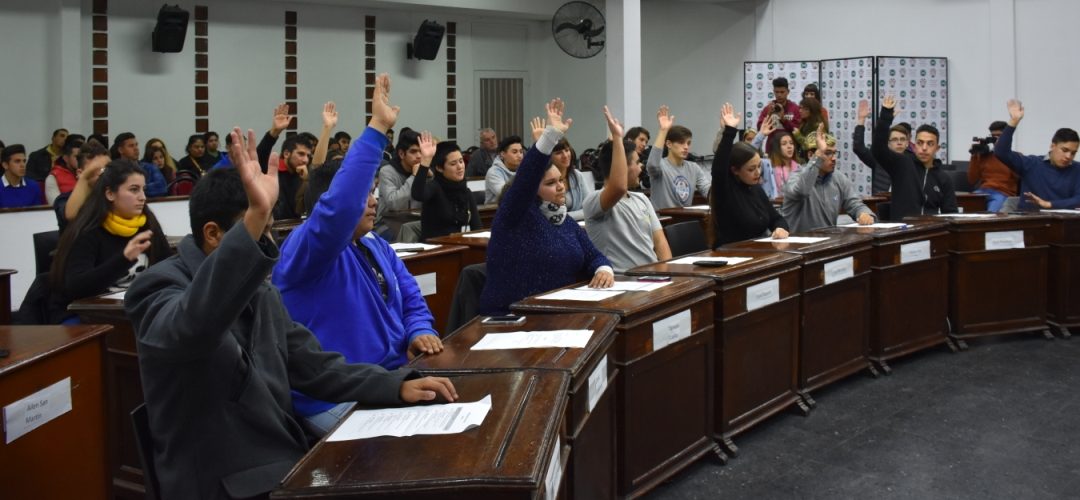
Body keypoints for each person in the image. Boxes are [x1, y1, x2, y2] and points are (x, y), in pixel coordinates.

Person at [125, 121, 457, 500]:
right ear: (214, 234)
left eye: (267, 231)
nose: (267, 247)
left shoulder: (258, 289)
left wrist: (394, 385)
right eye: (257, 233)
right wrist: (253, 222)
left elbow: (312, 364)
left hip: (281, 461)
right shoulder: (154, 288)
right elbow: (193, 326)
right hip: (225, 480)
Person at [275, 76, 447, 438]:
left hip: (386, 378)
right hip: (331, 397)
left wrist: (419, 329)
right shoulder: (306, 249)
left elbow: (410, 296)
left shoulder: (375, 244)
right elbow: (340, 208)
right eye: (364, 193)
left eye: (373, 192)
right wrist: (377, 128)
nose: (373, 200)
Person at [480, 98, 614, 316]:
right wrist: (549, 137)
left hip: (557, 312)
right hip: (513, 317)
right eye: (551, 183)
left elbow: (594, 256)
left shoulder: (563, 221)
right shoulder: (516, 216)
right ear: (533, 190)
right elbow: (526, 178)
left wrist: (603, 270)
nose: (561, 187)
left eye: (560, 180)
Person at [49, 160, 170, 322]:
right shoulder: (88, 230)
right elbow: (77, 287)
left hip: (136, 308)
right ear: (110, 194)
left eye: (143, 190)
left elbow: (168, 267)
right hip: (91, 314)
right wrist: (124, 259)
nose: (142, 197)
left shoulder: (147, 223)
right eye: (134, 190)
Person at [584, 106, 672, 272]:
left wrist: (667, 273)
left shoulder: (642, 199)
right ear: (622, 167)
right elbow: (618, 187)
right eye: (637, 163)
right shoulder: (594, 201)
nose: (641, 168)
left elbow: (660, 242)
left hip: (650, 279)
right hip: (623, 282)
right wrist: (617, 138)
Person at [711, 103, 789, 246]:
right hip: (732, 256)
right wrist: (729, 131)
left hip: (758, 252)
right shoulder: (726, 188)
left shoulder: (756, 188)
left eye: (759, 166)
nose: (758, 173)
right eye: (751, 169)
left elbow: (776, 218)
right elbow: (719, 167)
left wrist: (780, 228)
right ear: (735, 170)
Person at [871, 96, 957, 219]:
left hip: (930, 231)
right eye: (920, 143)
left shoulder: (944, 179)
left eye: (930, 144)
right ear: (914, 145)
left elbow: (951, 214)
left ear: (937, 148)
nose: (924, 148)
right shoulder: (902, 163)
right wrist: (886, 115)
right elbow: (878, 150)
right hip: (903, 232)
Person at [781, 126, 875, 233]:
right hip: (798, 245)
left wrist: (863, 214)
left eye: (834, 153)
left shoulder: (839, 178)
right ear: (811, 155)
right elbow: (802, 191)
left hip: (827, 243)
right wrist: (817, 158)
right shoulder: (796, 177)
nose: (834, 158)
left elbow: (854, 204)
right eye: (828, 153)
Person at [994, 99, 1080, 210]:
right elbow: (1001, 152)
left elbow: (1078, 199)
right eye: (1064, 150)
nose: (1069, 156)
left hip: (1063, 223)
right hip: (1031, 222)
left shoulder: (1077, 169)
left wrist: (1049, 204)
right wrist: (1014, 121)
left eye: (1073, 153)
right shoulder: (1031, 164)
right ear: (1052, 146)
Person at [412, 136, 480, 240]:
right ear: (439, 168)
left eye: (461, 161)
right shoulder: (435, 187)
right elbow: (418, 194)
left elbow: (477, 228)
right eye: (453, 164)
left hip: (460, 247)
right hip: (435, 249)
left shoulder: (466, 192)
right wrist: (425, 161)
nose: (460, 167)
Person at [647, 105, 711, 209]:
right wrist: (663, 131)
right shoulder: (661, 165)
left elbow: (707, 190)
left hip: (685, 219)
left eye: (688, 143)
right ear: (669, 144)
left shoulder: (693, 168)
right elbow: (652, 165)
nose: (686, 147)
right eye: (681, 143)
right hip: (663, 221)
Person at [56, 140, 109, 232]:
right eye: (97, 169)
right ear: (80, 173)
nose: (103, 173)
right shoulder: (63, 200)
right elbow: (71, 216)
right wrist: (85, 177)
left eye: (106, 168)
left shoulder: (114, 197)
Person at [967, 120, 1018, 212]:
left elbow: (1020, 178)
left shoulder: (1015, 156)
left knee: (991, 216)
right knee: (967, 206)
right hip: (983, 191)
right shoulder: (985, 156)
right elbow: (972, 180)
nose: (996, 139)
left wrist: (1006, 156)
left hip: (1002, 193)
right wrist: (974, 155)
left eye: (999, 136)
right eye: (993, 136)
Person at [851, 99, 897, 194]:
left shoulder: (910, 163)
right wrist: (861, 120)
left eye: (902, 139)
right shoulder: (881, 161)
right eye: (895, 139)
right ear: (888, 142)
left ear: (907, 143)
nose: (899, 143)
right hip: (881, 205)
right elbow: (858, 147)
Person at [111, 133, 169, 197]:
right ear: (121, 150)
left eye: (136, 145)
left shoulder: (149, 167)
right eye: (131, 146)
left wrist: (135, 188)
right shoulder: (113, 170)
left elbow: (162, 188)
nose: (136, 148)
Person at [753, 117, 796, 198]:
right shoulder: (766, 165)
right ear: (777, 147)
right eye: (784, 144)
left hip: (792, 209)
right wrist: (761, 135)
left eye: (791, 143)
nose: (789, 146)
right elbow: (748, 155)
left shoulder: (799, 168)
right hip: (770, 208)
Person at [483, 135, 524, 204]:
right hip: (494, 212)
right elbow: (507, 195)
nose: (519, 155)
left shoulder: (523, 170)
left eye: (521, 152)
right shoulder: (493, 172)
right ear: (502, 154)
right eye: (514, 152)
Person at [45, 134, 84, 204]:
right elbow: (57, 206)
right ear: (66, 158)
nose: (80, 160)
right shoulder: (53, 177)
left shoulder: (90, 173)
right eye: (76, 157)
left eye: (82, 156)